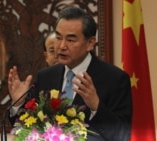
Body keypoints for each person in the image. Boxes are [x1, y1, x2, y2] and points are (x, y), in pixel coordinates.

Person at [8, 7, 132, 141]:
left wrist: (96, 107)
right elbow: (25, 127)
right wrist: (18, 104)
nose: (61, 46)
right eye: (58, 37)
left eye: (70, 40)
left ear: (90, 43)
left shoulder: (115, 79)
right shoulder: (46, 76)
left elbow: (122, 135)